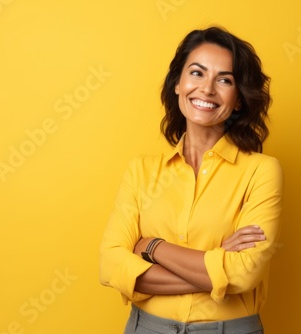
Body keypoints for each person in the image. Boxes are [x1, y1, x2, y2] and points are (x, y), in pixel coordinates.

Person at [100, 26, 283, 334]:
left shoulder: (261, 171)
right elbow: (110, 265)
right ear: (177, 84)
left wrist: (152, 247)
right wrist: (216, 265)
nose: (207, 89)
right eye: (197, 73)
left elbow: (244, 273)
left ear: (238, 100)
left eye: (224, 80)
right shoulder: (141, 171)